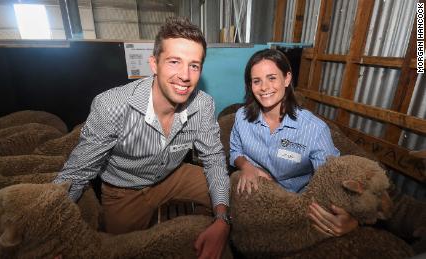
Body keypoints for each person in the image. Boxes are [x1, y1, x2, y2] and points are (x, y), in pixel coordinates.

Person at [54, 17, 230, 258]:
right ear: (154, 64)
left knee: (232, 194)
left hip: (173, 174)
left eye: (194, 65)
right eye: (174, 61)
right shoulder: (112, 106)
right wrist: (50, 226)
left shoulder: (203, 105)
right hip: (125, 188)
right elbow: (76, 173)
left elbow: (213, 159)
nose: (185, 75)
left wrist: (222, 220)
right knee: (119, 251)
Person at [229, 48, 358, 237]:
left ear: (287, 79)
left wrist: (351, 217)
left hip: (297, 204)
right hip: (258, 197)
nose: (264, 87)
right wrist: (246, 166)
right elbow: (235, 150)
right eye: (257, 81)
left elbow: (332, 177)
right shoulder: (242, 117)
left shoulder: (314, 129)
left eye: (272, 78)